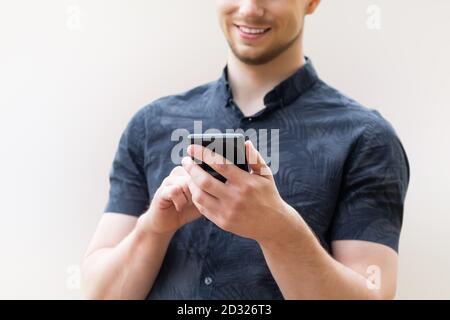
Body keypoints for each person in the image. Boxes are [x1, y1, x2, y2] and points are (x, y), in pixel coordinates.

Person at [82, 0, 410, 299]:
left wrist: (278, 230)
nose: (250, 9)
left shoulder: (365, 138)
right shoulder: (150, 124)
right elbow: (99, 295)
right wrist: (153, 228)